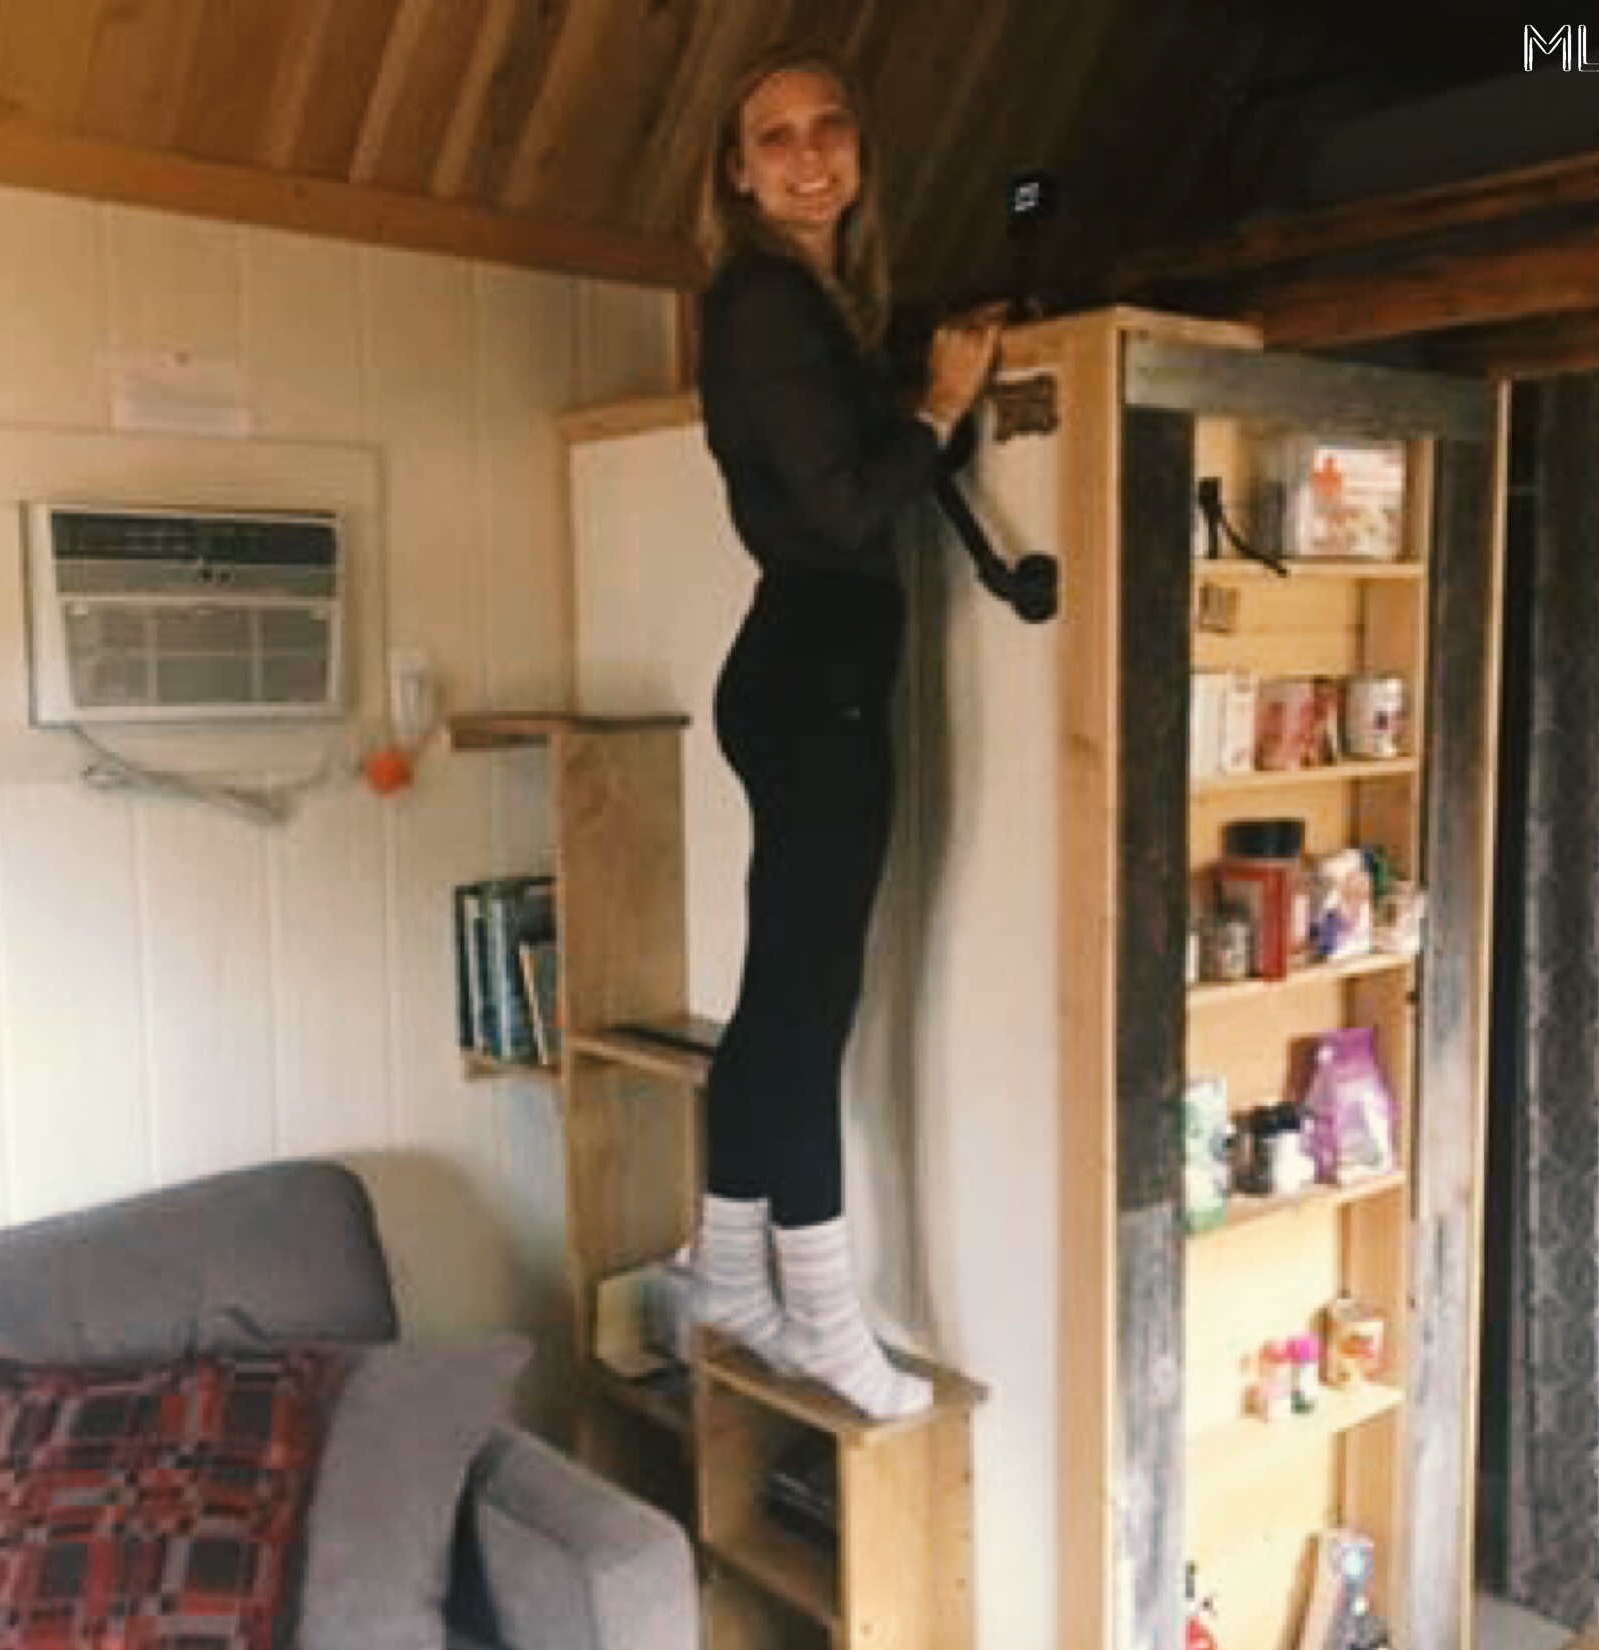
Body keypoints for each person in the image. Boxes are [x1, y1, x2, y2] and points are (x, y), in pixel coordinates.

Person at [691, 45, 998, 1420]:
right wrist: (936, 403)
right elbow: (839, 510)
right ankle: (821, 1313)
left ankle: (732, 1275)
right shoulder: (760, 299)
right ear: (738, 172)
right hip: (814, 676)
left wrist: (915, 376)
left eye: (829, 128)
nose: (808, 154)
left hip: (802, 675)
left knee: (780, 997)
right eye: (775, 137)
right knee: (813, 1005)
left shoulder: (806, 304)